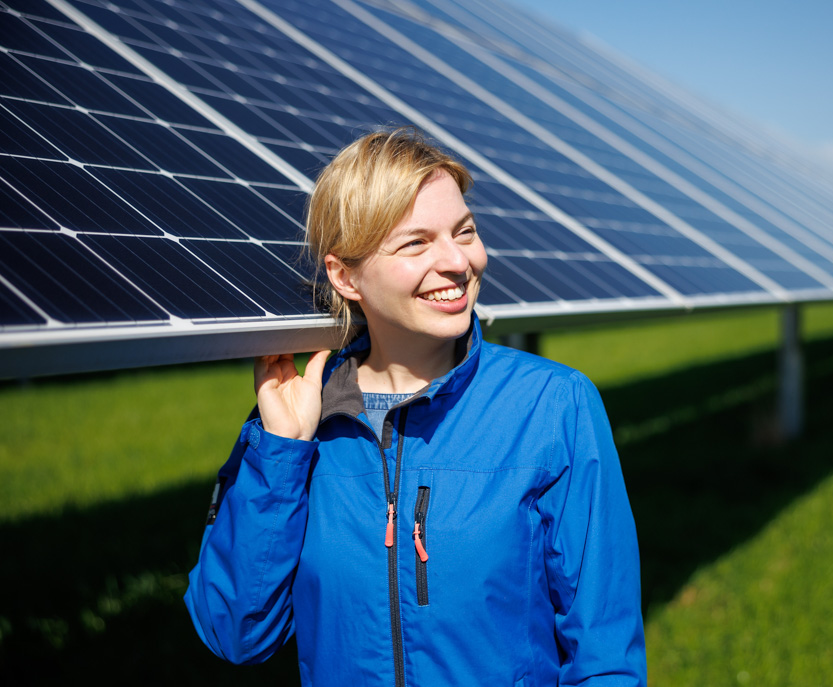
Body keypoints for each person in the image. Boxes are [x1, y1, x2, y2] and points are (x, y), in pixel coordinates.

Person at [184, 127, 646, 686]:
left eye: (465, 231)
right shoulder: (296, 428)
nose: (457, 262)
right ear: (345, 275)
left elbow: (606, 652)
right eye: (416, 243)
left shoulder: (552, 405)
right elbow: (236, 634)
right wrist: (282, 453)